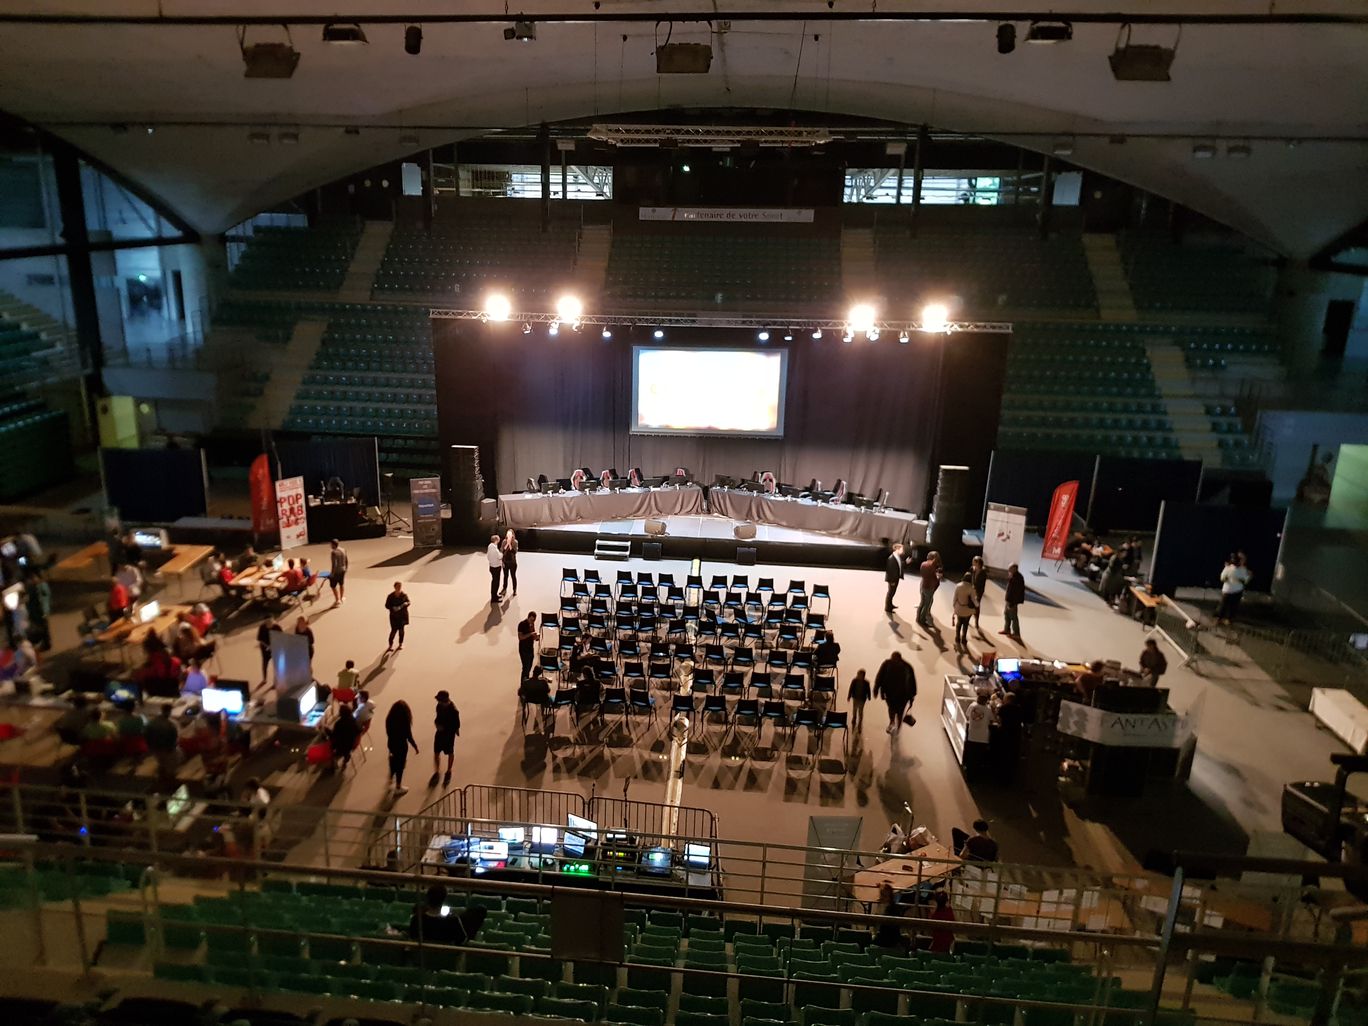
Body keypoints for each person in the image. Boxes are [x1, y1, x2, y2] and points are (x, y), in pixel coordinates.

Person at [409, 883, 488, 945]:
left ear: (427, 899)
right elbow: (462, 940)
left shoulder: (416, 919)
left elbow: (412, 937)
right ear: (444, 900)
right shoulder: (453, 921)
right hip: (448, 959)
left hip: (422, 958)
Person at [873, 651, 916, 735]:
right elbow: (912, 683)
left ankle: (893, 722)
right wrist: (912, 696)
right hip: (901, 694)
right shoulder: (907, 666)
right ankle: (896, 724)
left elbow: (879, 677)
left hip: (892, 693)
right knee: (898, 710)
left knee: (892, 709)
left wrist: (876, 689)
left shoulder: (887, 664)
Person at [385, 700, 419, 795]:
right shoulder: (404, 721)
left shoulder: (389, 719)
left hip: (391, 743)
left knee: (392, 760)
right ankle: (398, 786)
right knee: (400, 765)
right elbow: (409, 736)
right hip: (401, 746)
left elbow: (388, 732)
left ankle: (390, 779)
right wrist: (415, 747)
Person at [429, 690, 461, 787]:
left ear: (445, 700)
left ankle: (449, 770)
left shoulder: (454, 711)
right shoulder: (439, 706)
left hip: (448, 735)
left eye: (440, 700)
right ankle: (437, 771)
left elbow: (457, 725)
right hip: (439, 733)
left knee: (450, 752)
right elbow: (437, 718)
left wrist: (450, 729)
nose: (438, 702)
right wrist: (437, 724)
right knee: (436, 752)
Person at [145, 703, 180, 782]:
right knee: (173, 763)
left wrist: (150, 747)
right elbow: (174, 739)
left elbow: (146, 735)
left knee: (162, 762)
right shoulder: (171, 725)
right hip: (167, 749)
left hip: (155, 749)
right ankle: (170, 780)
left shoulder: (151, 722)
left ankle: (161, 777)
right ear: (169, 712)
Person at [963, 692, 994, 779]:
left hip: (972, 735)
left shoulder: (972, 706)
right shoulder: (988, 709)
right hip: (983, 737)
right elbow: (992, 720)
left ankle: (969, 774)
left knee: (971, 756)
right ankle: (976, 775)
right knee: (979, 757)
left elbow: (967, 715)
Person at [1217, 552, 1251, 624]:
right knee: (1228, 606)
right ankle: (1224, 619)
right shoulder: (1234, 568)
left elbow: (1222, 578)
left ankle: (1225, 619)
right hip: (1232, 591)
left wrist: (1236, 579)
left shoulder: (1238, 569)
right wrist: (1228, 578)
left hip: (1232, 590)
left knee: (1228, 606)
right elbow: (1222, 578)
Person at [872, 882, 907, 950]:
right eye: (881, 895)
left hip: (888, 940)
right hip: (884, 937)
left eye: (884, 895)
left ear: (889, 897)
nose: (881, 897)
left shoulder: (892, 909)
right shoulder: (884, 906)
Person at [330, 702, 360, 771]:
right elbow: (358, 731)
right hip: (351, 743)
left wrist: (327, 730)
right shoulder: (354, 720)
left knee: (328, 740)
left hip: (342, 745)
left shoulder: (339, 724)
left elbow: (334, 735)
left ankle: (333, 765)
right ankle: (346, 758)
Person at [917, 551, 943, 628]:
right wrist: (938, 577)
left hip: (923, 585)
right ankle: (922, 620)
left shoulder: (923, 564)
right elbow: (934, 578)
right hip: (929, 587)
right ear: (934, 558)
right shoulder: (932, 566)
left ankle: (918, 618)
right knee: (926, 605)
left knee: (922, 603)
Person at [952, 572, 977, 649]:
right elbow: (974, 600)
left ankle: (957, 637)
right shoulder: (971, 588)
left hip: (959, 608)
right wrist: (977, 606)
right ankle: (963, 638)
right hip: (968, 610)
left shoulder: (958, 586)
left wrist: (954, 606)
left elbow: (955, 598)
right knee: (966, 624)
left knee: (959, 623)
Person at [385, 582, 411, 651]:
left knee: (401, 631)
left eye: (400, 586)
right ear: (395, 587)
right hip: (394, 616)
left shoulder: (404, 595)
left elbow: (409, 602)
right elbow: (387, 605)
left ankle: (400, 644)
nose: (399, 588)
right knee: (393, 630)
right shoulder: (390, 596)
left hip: (402, 616)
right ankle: (390, 645)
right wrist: (393, 608)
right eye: (398, 586)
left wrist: (406, 603)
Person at [1002, 563, 1026, 638]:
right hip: (1009, 599)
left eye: (1010, 568)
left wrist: (1012, 603)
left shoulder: (1018, 578)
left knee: (1013, 617)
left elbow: (1016, 592)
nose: (1008, 569)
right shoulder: (1012, 575)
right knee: (1006, 614)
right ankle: (1007, 629)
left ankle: (1016, 633)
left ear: (1015, 569)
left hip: (1012, 601)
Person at [884, 542, 907, 613]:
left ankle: (890, 605)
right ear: (897, 549)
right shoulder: (891, 558)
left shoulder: (897, 557)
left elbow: (899, 565)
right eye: (902, 549)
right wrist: (891, 581)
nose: (903, 551)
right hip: (893, 579)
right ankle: (887, 608)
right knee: (890, 593)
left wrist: (906, 562)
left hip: (896, 578)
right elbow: (890, 570)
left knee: (892, 592)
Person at [515, 612, 538, 680]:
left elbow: (532, 636)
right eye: (531, 620)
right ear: (528, 617)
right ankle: (524, 683)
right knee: (525, 667)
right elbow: (520, 637)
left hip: (530, 648)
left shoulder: (532, 624)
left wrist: (535, 637)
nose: (532, 621)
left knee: (529, 666)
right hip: (523, 649)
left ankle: (526, 681)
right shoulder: (522, 624)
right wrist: (531, 634)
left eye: (534, 620)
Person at [256, 619, 277, 687]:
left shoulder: (276, 627)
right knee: (265, 664)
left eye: (270, 622)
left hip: (275, 649)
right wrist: (267, 646)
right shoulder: (262, 627)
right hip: (265, 650)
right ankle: (264, 679)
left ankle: (275, 682)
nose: (269, 624)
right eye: (267, 622)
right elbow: (260, 639)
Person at [499, 529, 519, 598]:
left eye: (510, 534)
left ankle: (514, 590)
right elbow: (501, 550)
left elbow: (515, 552)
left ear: (513, 535)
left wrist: (510, 544)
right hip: (505, 561)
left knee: (513, 576)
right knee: (505, 576)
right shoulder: (504, 541)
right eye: (508, 534)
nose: (509, 536)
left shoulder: (515, 542)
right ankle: (504, 589)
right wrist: (506, 544)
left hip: (512, 562)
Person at [970, 555, 988, 631]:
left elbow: (981, 584)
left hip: (978, 592)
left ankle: (976, 622)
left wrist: (977, 592)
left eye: (974, 561)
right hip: (972, 590)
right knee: (970, 605)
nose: (972, 562)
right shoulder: (973, 569)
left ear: (978, 563)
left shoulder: (983, 572)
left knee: (976, 606)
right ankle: (967, 618)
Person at [329, 539, 349, 605]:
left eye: (331, 544)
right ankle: (342, 597)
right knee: (341, 584)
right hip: (343, 570)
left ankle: (337, 600)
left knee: (333, 586)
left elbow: (334, 564)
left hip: (336, 572)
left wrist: (332, 573)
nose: (330, 546)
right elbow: (346, 559)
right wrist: (346, 568)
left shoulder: (333, 552)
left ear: (333, 545)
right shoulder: (343, 550)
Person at [486, 535, 503, 604]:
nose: (499, 541)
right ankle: (494, 598)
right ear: (496, 540)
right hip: (496, 567)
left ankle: (495, 595)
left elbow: (488, 556)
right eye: (498, 539)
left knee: (494, 582)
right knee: (496, 583)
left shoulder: (490, 546)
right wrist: (501, 553)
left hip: (492, 566)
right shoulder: (494, 548)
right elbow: (499, 556)